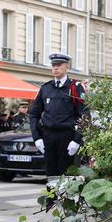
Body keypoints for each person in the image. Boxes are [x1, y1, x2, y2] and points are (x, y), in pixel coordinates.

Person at [29, 53, 87, 182]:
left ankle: (65, 201)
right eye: (53, 65)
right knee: (51, 174)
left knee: (67, 174)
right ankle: (52, 202)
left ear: (66, 66)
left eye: (58, 65)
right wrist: (37, 138)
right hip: (48, 136)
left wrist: (77, 140)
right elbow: (34, 114)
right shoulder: (45, 88)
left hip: (67, 136)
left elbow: (85, 115)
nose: (55, 68)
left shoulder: (75, 87)